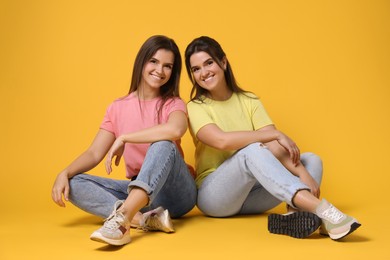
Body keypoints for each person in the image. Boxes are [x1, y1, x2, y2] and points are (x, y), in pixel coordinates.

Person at [184, 36, 361, 240]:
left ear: (223, 62)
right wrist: (274, 133)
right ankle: (324, 211)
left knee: (311, 159)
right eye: (196, 69)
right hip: (216, 198)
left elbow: (275, 148)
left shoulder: (249, 101)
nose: (204, 73)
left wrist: (303, 172)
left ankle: (294, 216)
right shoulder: (195, 107)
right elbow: (221, 140)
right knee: (251, 150)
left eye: (209, 63)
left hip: (252, 197)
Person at [51, 35, 197, 246]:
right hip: (139, 194)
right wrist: (63, 173)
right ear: (142, 61)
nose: (160, 70)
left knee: (164, 142)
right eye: (154, 61)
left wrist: (125, 137)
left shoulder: (173, 103)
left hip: (176, 192)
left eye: (168, 66)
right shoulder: (117, 107)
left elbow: (175, 129)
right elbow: (94, 153)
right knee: (73, 183)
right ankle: (145, 219)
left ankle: (123, 221)